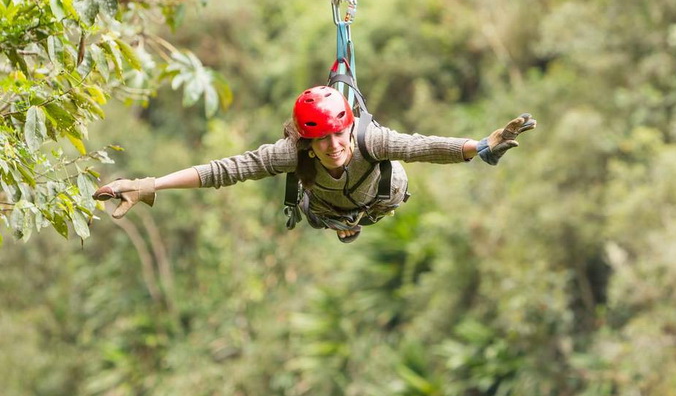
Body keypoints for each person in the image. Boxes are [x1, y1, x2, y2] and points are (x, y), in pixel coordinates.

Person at [93, 86, 536, 242]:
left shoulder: (370, 141)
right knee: (311, 209)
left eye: (336, 136)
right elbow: (222, 171)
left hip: (381, 198)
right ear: (307, 140)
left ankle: (355, 219)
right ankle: (341, 222)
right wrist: (149, 184)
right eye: (319, 141)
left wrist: (480, 146)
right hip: (327, 208)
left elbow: (423, 146)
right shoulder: (293, 154)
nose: (332, 147)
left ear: (348, 128)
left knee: (397, 171)